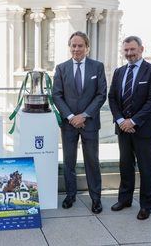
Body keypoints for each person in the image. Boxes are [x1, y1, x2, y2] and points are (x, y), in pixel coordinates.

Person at [108, 36, 151, 220]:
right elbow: (113, 98)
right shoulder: (119, 72)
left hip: (144, 129)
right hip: (123, 128)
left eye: (132, 49)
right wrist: (121, 120)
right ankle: (125, 199)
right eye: (126, 50)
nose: (129, 53)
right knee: (125, 165)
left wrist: (133, 121)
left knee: (145, 168)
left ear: (141, 49)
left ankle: (146, 206)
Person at [53, 31, 107, 213]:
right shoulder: (61, 68)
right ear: (70, 47)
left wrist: (83, 115)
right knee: (69, 162)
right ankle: (70, 196)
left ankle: (96, 199)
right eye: (73, 46)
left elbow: (101, 95)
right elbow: (57, 95)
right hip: (68, 124)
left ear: (87, 48)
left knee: (92, 161)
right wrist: (70, 117)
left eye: (80, 45)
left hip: (89, 123)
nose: (76, 49)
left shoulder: (97, 67)